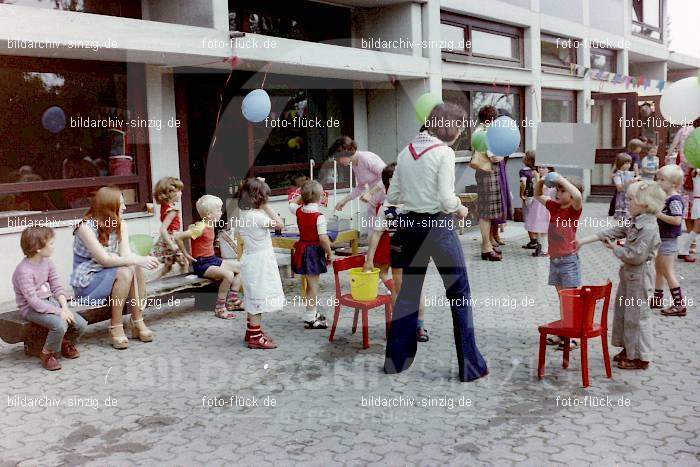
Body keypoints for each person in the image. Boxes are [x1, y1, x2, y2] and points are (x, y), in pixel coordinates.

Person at [384, 102, 488, 382]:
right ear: (450, 127)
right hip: (439, 227)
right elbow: (445, 199)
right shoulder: (444, 153)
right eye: (460, 129)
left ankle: (396, 362)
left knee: (407, 295)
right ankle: (471, 367)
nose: (461, 135)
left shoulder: (406, 152)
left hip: (410, 227)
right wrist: (461, 208)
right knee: (459, 295)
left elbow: (393, 196)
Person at [576, 180, 665, 370]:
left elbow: (636, 256)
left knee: (637, 316)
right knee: (624, 313)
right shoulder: (635, 220)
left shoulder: (648, 227)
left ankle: (640, 357)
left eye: (631, 199)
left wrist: (615, 248)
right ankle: (628, 349)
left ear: (645, 203)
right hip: (629, 275)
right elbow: (614, 231)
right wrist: (583, 241)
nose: (627, 203)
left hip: (639, 277)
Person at [71, 187, 160, 350]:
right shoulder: (85, 228)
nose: (125, 207)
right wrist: (138, 259)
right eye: (121, 204)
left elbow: (125, 255)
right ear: (108, 206)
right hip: (87, 283)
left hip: (109, 276)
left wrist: (135, 260)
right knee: (128, 268)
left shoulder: (121, 224)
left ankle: (137, 321)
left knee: (131, 266)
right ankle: (116, 326)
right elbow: (104, 260)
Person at [363, 163, 429, 342]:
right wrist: (369, 260)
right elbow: (376, 234)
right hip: (398, 251)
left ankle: (419, 326)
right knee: (398, 288)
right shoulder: (385, 208)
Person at [13, 226, 88, 370]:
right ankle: (47, 354)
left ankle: (64, 343)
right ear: (38, 248)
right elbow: (34, 302)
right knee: (60, 324)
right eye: (51, 243)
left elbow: (57, 288)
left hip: (50, 302)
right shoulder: (23, 271)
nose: (54, 246)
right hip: (31, 309)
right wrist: (59, 312)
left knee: (80, 324)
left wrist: (65, 308)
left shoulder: (47, 262)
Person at [533, 172, 584, 350]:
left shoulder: (573, 210)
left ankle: (574, 336)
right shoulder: (554, 207)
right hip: (555, 261)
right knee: (563, 300)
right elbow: (537, 195)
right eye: (558, 190)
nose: (558, 193)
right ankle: (564, 332)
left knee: (571, 300)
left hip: (569, 261)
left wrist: (562, 179)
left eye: (562, 191)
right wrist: (541, 181)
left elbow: (577, 195)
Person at [175, 195, 243, 319]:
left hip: (212, 259)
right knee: (228, 275)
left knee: (241, 267)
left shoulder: (210, 224)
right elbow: (178, 237)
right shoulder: (200, 228)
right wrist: (186, 254)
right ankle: (220, 307)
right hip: (202, 264)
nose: (221, 212)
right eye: (218, 210)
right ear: (209, 214)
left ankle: (232, 301)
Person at [237, 178, 284, 349]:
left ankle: (252, 330)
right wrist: (267, 207)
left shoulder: (244, 215)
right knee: (259, 298)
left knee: (253, 296)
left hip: (251, 259)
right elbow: (280, 224)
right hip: (260, 262)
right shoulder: (258, 217)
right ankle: (255, 338)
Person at [289, 180, 333, 329]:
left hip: (302, 250)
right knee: (314, 286)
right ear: (320, 197)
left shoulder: (298, 211)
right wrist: (330, 253)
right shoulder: (319, 216)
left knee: (310, 284)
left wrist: (301, 196)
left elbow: (291, 203)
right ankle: (310, 318)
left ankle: (310, 313)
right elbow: (323, 238)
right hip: (314, 252)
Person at [331, 136, 387, 233]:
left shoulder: (366, 158)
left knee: (381, 234)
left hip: (387, 198)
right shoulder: (354, 164)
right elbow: (361, 186)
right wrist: (344, 201)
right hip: (375, 201)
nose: (338, 161)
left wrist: (370, 193)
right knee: (373, 233)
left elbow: (388, 176)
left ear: (346, 151)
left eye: (338, 158)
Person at [652, 164, 686, 316]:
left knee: (667, 271)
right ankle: (658, 298)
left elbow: (677, 220)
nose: (658, 182)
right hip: (662, 239)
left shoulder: (674, 200)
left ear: (673, 184)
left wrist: (658, 214)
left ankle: (679, 305)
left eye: (662, 180)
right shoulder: (666, 198)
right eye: (657, 179)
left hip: (668, 241)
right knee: (659, 269)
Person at [472, 106, 503, 261]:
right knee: (486, 213)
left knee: (487, 213)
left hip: (484, 173)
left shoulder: (479, 131)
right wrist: (501, 154)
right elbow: (494, 157)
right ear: (490, 119)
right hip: (488, 173)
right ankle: (486, 248)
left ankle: (487, 246)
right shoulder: (484, 132)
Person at [153, 177, 189, 278]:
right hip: (171, 238)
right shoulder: (172, 211)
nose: (181, 193)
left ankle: (154, 281)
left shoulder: (165, 206)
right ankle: (185, 284)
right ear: (170, 193)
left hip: (169, 238)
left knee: (168, 266)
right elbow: (163, 229)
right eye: (179, 191)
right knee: (184, 262)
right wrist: (172, 244)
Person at [526, 166, 555, 257]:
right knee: (538, 227)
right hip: (538, 205)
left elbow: (540, 190)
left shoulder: (548, 178)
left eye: (543, 167)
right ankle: (540, 247)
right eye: (539, 167)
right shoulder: (540, 178)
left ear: (549, 169)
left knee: (544, 228)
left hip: (544, 205)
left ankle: (545, 249)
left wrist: (538, 178)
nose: (540, 169)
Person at [678, 167, 699, 262]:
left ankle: (684, 250)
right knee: (697, 228)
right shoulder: (696, 171)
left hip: (697, 201)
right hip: (698, 201)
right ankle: (683, 250)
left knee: (697, 228)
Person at [611, 153, 637, 223]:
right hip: (622, 199)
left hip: (630, 198)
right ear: (620, 163)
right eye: (626, 163)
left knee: (630, 216)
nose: (628, 165)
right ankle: (620, 231)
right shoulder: (618, 175)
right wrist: (628, 182)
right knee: (622, 217)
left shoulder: (630, 173)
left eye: (629, 163)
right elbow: (619, 188)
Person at [520, 151, 538, 249]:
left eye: (525, 155)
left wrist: (521, 194)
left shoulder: (523, 171)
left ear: (528, 160)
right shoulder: (537, 171)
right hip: (538, 196)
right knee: (536, 216)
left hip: (528, 196)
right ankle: (538, 239)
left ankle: (533, 240)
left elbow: (523, 183)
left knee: (528, 217)